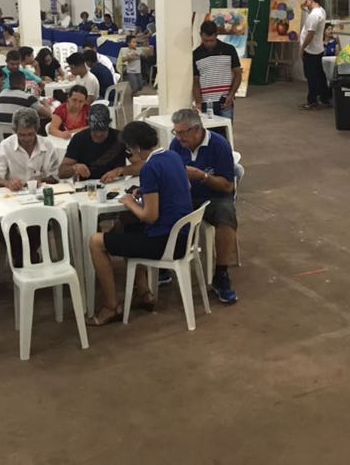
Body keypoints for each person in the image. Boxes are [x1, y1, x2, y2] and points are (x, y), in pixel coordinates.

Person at [88, 121, 194, 325]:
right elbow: (182, 187)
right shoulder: (173, 156)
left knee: (96, 241)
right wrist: (146, 192)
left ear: (135, 148)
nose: (130, 154)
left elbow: (150, 216)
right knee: (126, 223)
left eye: (129, 150)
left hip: (165, 241)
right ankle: (144, 292)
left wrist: (129, 202)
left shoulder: (150, 168)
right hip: (184, 235)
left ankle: (111, 306)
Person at [169, 108, 238, 303]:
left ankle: (221, 274)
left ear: (197, 129)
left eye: (183, 133)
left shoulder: (219, 145)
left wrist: (202, 176)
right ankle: (165, 260)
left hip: (214, 198)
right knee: (159, 208)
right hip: (186, 197)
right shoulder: (176, 145)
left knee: (226, 215)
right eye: (176, 132)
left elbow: (227, 186)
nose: (179, 137)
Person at [0, 108, 61, 190]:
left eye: (30, 134)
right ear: (15, 131)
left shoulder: (48, 146)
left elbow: (55, 177)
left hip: (40, 191)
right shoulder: (4, 147)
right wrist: (7, 183)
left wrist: (41, 180)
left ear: (37, 130)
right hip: (13, 193)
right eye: (22, 135)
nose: (26, 139)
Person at [58, 105, 126, 181]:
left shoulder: (120, 138)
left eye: (103, 131)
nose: (99, 134)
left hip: (116, 182)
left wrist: (120, 170)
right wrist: (75, 167)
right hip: (88, 184)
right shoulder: (79, 139)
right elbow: (61, 173)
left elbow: (137, 166)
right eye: (95, 131)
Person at [192, 20, 242, 119]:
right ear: (200, 35)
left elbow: (238, 73)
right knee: (207, 129)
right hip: (205, 103)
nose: (209, 43)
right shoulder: (196, 54)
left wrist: (231, 94)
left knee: (226, 128)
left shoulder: (229, 49)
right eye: (206, 40)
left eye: (211, 40)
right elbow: (196, 81)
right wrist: (198, 102)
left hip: (224, 102)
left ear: (216, 35)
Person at [299, 0, 329, 110]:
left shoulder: (313, 15)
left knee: (311, 76)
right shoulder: (321, 11)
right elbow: (312, 16)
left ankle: (312, 101)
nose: (305, 1)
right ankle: (324, 97)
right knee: (320, 75)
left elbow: (310, 34)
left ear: (311, 0)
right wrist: (305, 8)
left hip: (311, 50)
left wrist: (302, 48)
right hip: (318, 48)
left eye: (307, 0)